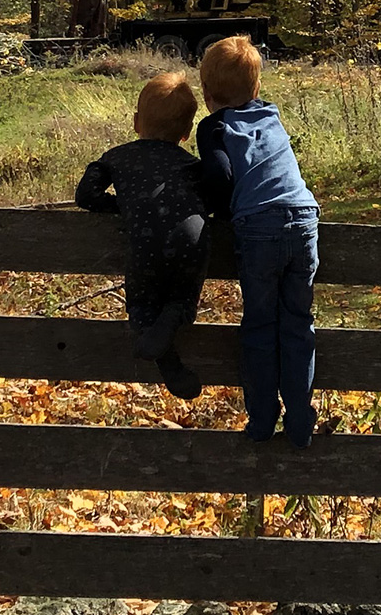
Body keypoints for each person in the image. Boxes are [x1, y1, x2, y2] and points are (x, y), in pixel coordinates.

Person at [196, 36, 320, 447]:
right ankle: (301, 420)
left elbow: (219, 177)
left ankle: (263, 420)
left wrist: (218, 209)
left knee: (261, 326)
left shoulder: (215, 126)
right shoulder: (272, 115)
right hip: (304, 219)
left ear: (207, 93)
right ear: (257, 88)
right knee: (298, 324)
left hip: (260, 228)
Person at [75, 71, 208, 400]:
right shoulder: (191, 164)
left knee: (142, 305)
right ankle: (174, 317)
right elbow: (215, 198)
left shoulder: (119, 157)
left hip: (145, 241)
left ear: (136, 122)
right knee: (181, 297)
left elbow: (85, 196)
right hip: (191, 237)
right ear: (187, 132)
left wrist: (123, 206)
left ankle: (168, 362)